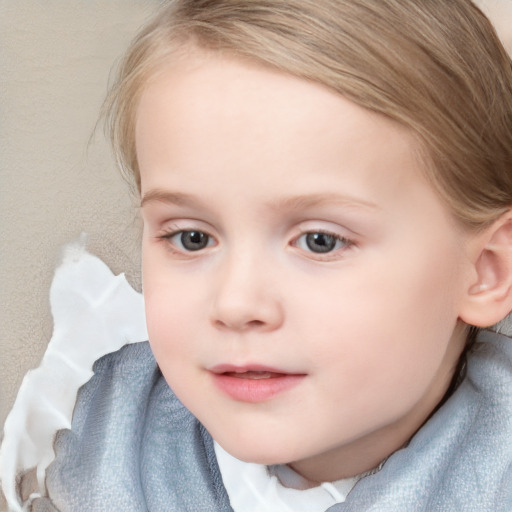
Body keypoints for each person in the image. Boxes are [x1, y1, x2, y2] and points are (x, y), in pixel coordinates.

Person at [1, 0, 512, 510]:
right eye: (191, 238)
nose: (236, 303)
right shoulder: (81, 437)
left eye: (320, 241)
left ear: (486, 271)